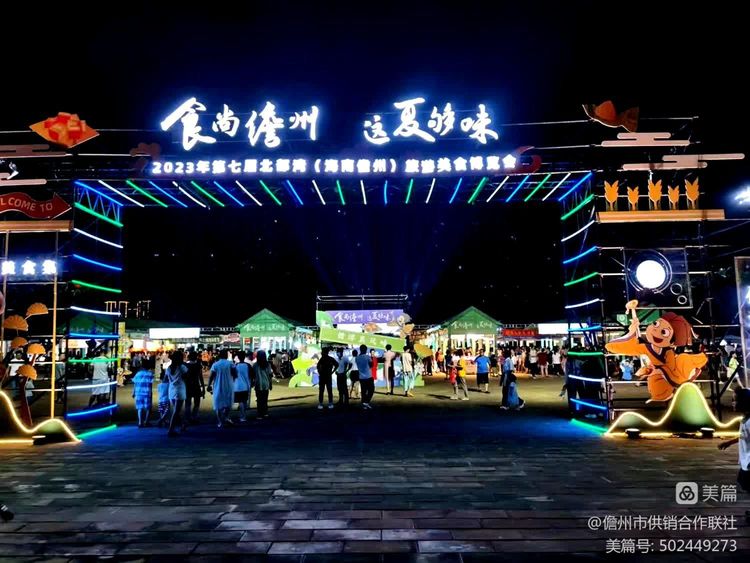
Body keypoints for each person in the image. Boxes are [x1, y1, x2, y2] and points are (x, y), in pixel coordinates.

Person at [718, 388, 750, 524]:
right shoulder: (745, 419)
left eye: (735, 400)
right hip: (746, 461)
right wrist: (729, 442)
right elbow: (744, 436)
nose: (733, 403)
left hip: (749, 462)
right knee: (745, 484)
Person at [207, 349, 235, 428]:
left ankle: (220, 422)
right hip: (228, 386)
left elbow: (211, 376)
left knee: (218, 405)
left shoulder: (215, 364)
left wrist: (209, 385)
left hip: (217, 386)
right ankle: (226, 417)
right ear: (226, 355)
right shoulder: (230, 364)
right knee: (228, 403)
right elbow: (235, 374)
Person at [164, 350, 188, 437]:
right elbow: (186, 377)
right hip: (180, 389)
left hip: (171, 390)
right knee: (176, 411)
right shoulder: (182, 367)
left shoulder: (169, 368)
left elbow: (165, 379)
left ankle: (182, 425)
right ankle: (171, 430)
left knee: (176, 410)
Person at [132, 358, 154, 428]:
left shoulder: (138, 374)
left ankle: (140, 422)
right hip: (147, 392)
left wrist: (133, 392)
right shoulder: (150, 374)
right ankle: (146, 422)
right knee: (148, 408)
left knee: (140, 408)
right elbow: (150, 385)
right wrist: (151, 393)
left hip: (138, 392)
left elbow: (135, 383)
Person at [184, 351, 205, 423]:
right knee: (197, 403)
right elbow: (201, 377)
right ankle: (194, 416)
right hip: (196, 385)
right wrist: (203, 388)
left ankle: (188, 418)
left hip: (187, 386)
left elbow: (184, 377)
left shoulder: (185, 365)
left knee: (188, 403)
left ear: (189, 357)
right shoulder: (198, 365)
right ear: (196, 357)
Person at [253, 350, 273, 420]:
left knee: (259, 400)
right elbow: (270, 375)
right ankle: (265, 413)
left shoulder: (255, 365)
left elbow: (253, 375)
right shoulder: (268, 364)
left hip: (258, 384)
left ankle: (259, 414)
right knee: (265, 399)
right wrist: (270, 384)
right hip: (266, 384)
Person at [233, 351, 252, 422]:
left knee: (240, 402)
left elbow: (233, 376)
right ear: (244, 357)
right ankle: (243, 416)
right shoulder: (248, 365)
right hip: (246, 386)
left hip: (237, 386)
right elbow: (252, 375)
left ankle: (242, 416)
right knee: (244, 401)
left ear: (238, 357)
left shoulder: (235, 365)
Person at [356, 344, 374, 409]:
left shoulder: (357, 358)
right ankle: (366, 402)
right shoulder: (367, 357)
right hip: (368, 376)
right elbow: (371, 365)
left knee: (363, 391)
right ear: (365, 350)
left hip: (361, 377)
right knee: (371, 390)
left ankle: (364, 404)